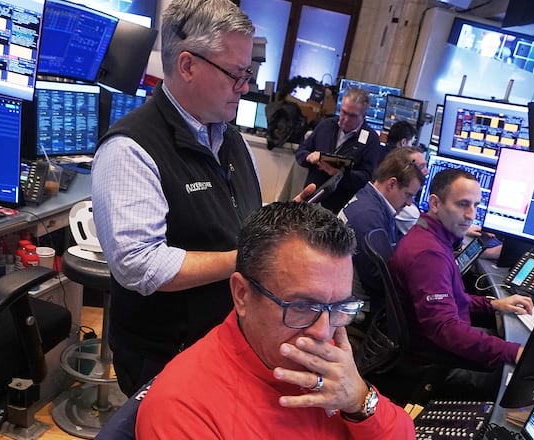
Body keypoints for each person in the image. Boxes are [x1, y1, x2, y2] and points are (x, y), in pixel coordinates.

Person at [91, 0, 271, 397]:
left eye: (248, 74)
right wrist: (244, 261)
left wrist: (278, 228)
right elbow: (139, 265)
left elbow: (236, 222)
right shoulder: (131, 148)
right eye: (236, 74)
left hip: (222, 344)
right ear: (188, 66)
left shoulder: (232, 140)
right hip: (165, 357)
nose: (245, 87)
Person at [135, 202, 416, 438]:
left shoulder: (332, 368)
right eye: (303, 306)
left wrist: (359, 401)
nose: (323, 332)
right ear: (242, 295)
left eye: (339, 306)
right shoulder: (182, 409)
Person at [388, 169, 533, 390]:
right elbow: (446, 330)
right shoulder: (429, 256)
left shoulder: (429, 236)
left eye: (475, 205)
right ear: (435, 203)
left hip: (431, 347)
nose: (470, 215)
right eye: (462, 204)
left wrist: (493, 303)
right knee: (516, 377)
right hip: (434, 363)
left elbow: (450, 300)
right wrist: (515, 352)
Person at [338, 147, 424, 315]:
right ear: (392, 184)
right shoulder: (369, 218)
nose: (408, 203)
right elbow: (382, 279)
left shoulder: (369, 199)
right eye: (408, 195)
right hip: (363, 308)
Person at [295, 87, 381, 213]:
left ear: (363, 116)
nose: (345, 119)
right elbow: (301, 151)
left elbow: (365, 178)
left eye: (352, 116)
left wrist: (339, 174)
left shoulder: (371, 139)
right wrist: (309, 157)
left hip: (340, 207)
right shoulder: (326, 125)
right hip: (311, 198)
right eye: (343, 112)